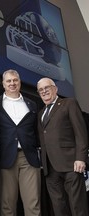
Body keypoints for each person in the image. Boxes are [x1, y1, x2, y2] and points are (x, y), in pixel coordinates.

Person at [0, 69, 41, 216]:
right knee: (7, 205)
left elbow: (36, 131)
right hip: (6, 159)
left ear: (19, 82)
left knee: (33, 203)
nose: (12, 83)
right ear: (3, 84)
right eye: (9, 81)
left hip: (29, 158)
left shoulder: (32, 104)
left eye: (15, 80)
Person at [36, 77, 89, 216]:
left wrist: (81, 158)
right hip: (50, 168)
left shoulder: (69, 103)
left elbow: (80, 133)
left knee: (78, 206)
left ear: (55, 88)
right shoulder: (41, 113)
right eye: (41, 90)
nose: (44, 91)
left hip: (71, 164)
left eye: (47, 88)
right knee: (58, 208)